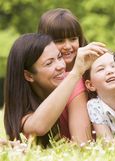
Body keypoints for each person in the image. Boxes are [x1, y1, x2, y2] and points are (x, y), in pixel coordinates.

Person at [4, 33, 106, 147]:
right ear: (29, 76)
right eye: (49, 63)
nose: (61, 66)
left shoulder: (73, 81)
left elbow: (82, 144)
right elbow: (38, 127)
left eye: (59, 57)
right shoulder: (22, 110)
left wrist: (75, 74)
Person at [37, 8, 108, 142]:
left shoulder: (92, 68)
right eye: (59, 41)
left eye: (73, 38)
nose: (68, 46)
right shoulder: (43, 75)